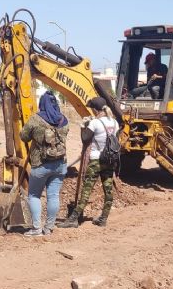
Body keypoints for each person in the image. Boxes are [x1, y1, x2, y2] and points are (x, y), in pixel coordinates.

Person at [59, 97, 119, 228]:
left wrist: (83, 127)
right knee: (108, 190)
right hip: (109, 160)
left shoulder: (95, 123)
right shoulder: (115, 122)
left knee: (87, 190)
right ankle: (103, 218)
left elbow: (85, 139)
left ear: (95, 109)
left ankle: (74, 219)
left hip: (96, 160)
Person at [19, 91, 69, 236]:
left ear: (42, 103)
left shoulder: (36, 119)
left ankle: (36, 229)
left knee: (34, 195)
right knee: (53, 196)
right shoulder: (64, 120)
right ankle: (48, 228)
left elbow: (24, 136)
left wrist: (36, 136)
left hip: (40, 164)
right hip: (60, 164)